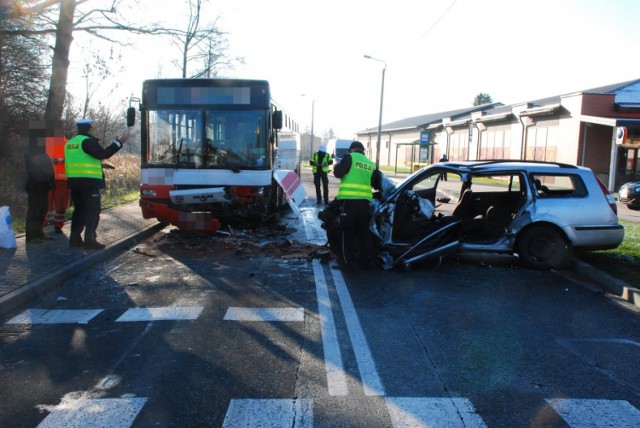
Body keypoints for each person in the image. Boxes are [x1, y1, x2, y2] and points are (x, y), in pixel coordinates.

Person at [65, 118, 126, 250]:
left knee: (79, 211)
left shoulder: (70, 143)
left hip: (74, 182)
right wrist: (118, 143)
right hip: (89, 183)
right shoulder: (88, 141)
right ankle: (90, 241)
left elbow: (80, 160)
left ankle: (74, 240)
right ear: (89, 128)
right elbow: (103, 154)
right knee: (93, 211)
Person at [332, 141, 381, 270]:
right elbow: (375, 183)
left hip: (349, 202)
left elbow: (338, 173)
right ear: (362, 150)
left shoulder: (350, 158)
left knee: (346, 231)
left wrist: (337, 165)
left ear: (352, 149)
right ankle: (366, 261)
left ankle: (348, 263)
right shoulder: (370, 164)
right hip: (365, 203)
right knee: (363, 232)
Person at [25, 152, 55, 243]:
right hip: (36, 187)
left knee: (43, 210)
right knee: (34, 211)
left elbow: (50, 168)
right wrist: (44, 179)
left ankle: (39, 232)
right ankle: (31, 236)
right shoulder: (30, 154)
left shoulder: (45, 154)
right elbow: (32, 170)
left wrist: (51, 182)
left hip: (45, 186)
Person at [45, 130, 71, 233]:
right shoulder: (68, 144)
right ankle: (57, 226)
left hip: (49, 179)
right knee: (61, 206)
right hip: (62, 179)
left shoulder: (47, 143)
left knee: (47, 204)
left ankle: (44, 226)